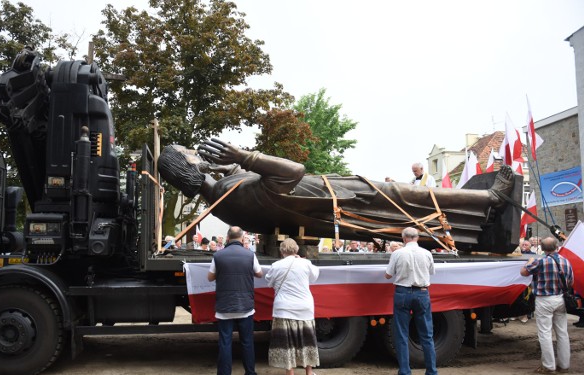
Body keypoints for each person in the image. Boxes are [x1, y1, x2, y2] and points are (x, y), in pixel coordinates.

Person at [157, 139, 519, 253]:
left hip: (322, 203)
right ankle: (489, 199)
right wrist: (243, 158)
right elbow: (292, 173)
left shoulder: (219, 198)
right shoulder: (226, 191)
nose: (194, 151)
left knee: (407, 209)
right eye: (187, 152)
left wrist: (233, 168)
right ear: (185, 165)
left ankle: (475, 215)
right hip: (327, 195)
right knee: (404, 196)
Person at [207, 226, 263, 375]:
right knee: (247, 343)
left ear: (228, 237)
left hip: (225, 307)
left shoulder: (218, 255)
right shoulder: (250, 255)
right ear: (241, 238)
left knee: (225, 344)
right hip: (245, 306)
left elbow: (210, 277)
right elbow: (259, 274)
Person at [385, 227, 439, 375]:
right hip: (422, 293)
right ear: (417, 238)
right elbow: (431, 272)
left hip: (402, 292)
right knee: (426, 336)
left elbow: (388, 275)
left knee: (401, 335)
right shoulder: (427, 253)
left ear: (404, 239)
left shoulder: (397, 254)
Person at [266, 238, 320, 375]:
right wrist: (302, 260)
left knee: (287, 342)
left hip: (284, 308)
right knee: (307, 341)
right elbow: (315, 277)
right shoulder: (306, 264)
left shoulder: (276, 265)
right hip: (304, 307)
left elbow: (269, 282)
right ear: (296, 250)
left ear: (282, 251)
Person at [520, 236, 574, 374]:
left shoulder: (540, 262)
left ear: (542, 249)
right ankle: (564, 365)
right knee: (562, 332)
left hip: (544, 299)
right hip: (560, 299)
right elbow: (571, 283)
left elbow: (524, 272)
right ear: (556, 247)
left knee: (545, 333)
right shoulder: (566, 261)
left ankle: (549, 366)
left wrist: (529, 261)